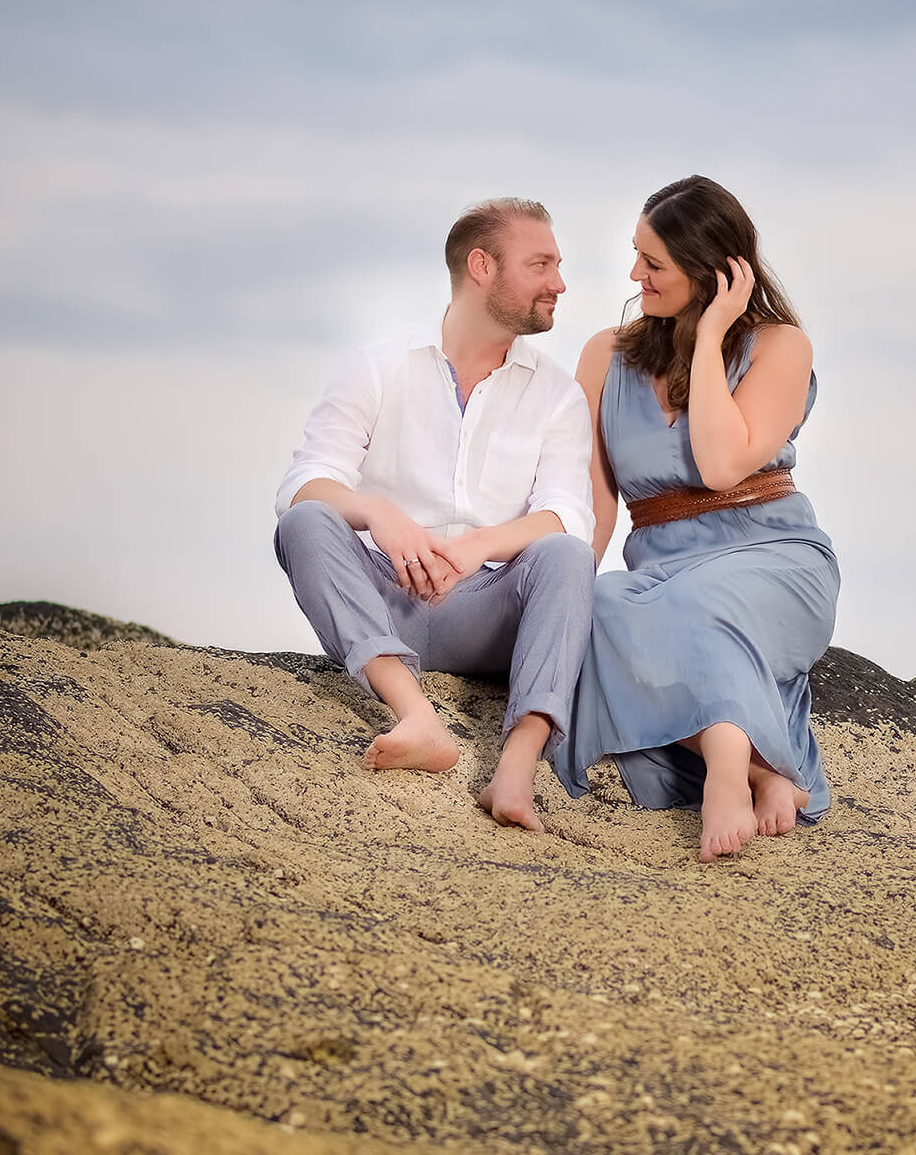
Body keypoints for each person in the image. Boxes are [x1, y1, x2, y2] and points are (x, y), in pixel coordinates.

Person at [274, 197, 595, 831]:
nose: (559, 282)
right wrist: (376, 513)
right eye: (541, 264)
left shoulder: (557, 393)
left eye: (557, 265)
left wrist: (480, 545)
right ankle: (417, 717)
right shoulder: (380, 366)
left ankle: (516, 768)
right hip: (385, 596)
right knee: (304, 524)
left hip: (488, 611)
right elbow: (302, 484)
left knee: (566, 555)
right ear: (482, 266)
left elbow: (568, 516)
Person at [555, 175, 839, 863]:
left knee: (699, 605)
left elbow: (720, 466)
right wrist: (565, 593)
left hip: (773, 556)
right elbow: (596, 502)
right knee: (597, 606)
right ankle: (765, 771)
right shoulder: (605, 355)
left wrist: (710, 338)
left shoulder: (781, 346)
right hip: (660, 569)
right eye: (636, 256)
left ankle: (722, 780)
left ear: (712, 271)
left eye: (652, 263)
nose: (633, 274)